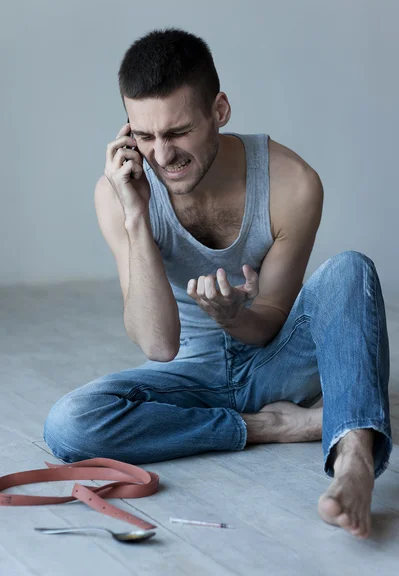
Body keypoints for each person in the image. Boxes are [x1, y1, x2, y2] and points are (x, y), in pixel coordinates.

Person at [43, 27, 392, 540]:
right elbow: (159, 345)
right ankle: (287, 425)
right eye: (144, 136)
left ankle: (354, 459)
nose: (162, 156)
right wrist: (137, 216)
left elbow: (270, 320)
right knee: (68, 424)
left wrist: (234, 316)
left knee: (350, 269)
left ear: (220, 111)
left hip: (275, 365)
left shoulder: (292, 182)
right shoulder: (117, 194)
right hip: (190, 379)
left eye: (178, 132)